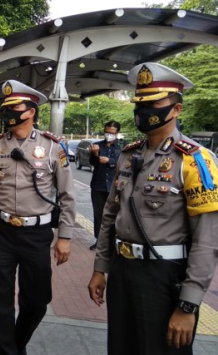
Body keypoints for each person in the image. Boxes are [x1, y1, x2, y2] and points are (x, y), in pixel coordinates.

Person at [88, 62, 218, 355]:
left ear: (176, 109)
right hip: (123, 271)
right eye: (140, 103)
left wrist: (188, 304)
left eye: (154, 103)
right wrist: (100, 268)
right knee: (121, 347)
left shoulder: (196, 160)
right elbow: (110, 216)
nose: (144, 110)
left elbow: (208, 239)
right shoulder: (128, 155)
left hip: (164, 275)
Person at [0, 80, 76, 355]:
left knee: (38, 301)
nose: (7, 111)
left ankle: (16, 344)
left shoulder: (53, 147)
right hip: (0, 231)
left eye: (14, 107)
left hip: (37, 234)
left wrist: (64, 237)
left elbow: (67, 196)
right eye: (5, 107)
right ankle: (6, 352)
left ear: (30, 111)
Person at [88, 120, 121, 250]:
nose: (109, 135)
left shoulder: (123, 147)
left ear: (117, 133)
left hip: (115, 186)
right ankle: (99, 241)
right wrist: (95, 155)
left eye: (112, 133)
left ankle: (113, 241)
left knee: (115, 214)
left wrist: (110, 161)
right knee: (99, 214)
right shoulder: (97, 145)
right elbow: (92, 163)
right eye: (107, 132)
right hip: (98, 185)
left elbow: (126, 163)